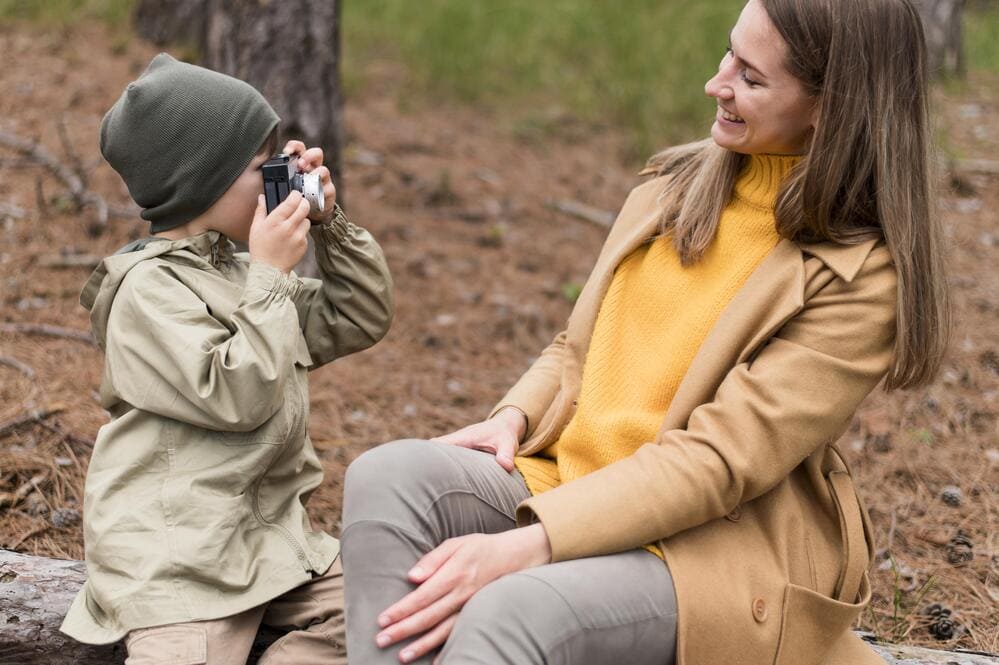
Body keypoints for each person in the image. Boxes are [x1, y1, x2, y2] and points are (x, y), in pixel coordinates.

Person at [339, 0, 949, 663]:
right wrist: (515, 413)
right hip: (574, 484)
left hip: (705, 544)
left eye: (750, 77)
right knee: (389, 475)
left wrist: (527, 545)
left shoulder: (859, 277)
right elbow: (581, 345)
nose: (716, 84)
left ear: (827, 106)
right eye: (727, 54)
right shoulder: (671, 189)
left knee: (515, 605)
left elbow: (716, 464)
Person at [59, 53, 394, 665]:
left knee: (389, 612)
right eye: (257, 163)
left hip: (267, 543)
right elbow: (236, 396)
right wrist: (269, 275)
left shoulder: (237, 272)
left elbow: (358, 315)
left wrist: (329, 225)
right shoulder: (146, 291)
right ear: (203, 181)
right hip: (180, 559)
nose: (276, 175)